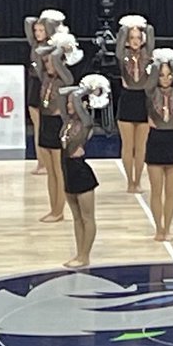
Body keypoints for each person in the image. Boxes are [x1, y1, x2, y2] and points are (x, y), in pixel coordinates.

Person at [57, 75, 111, 269]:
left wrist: (85, 92)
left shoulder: (86, 122)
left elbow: (80, 107)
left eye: (74, 103)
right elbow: (59, 95)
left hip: (81, 172)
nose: (70, 105)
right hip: (67, 170)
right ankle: (79, 253)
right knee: (76, 217)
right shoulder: (67, 121)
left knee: (87, 217)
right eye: (70, 103)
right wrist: (74, 91)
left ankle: (85, 255)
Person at [34, 30, 81, 223]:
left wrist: (60, 50)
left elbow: (54, 58)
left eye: (53, 62)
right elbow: (38, 53)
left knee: (58, 170)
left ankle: (59, 210)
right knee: (50, 173)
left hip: (57, 124)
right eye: (47, 62)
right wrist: (53, 48)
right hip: (45, 122)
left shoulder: (65, 78)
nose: (49, 64)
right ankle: (53, 208)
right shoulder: (44, 77)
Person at [144, 49, 173, 242]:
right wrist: (158, 62)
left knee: (171, 191)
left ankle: (167, 227)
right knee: (156, 190)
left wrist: (172, 62)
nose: (166, 78)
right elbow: (151, 79)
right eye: (161, 75)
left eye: (169, 75)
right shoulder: (151, 91)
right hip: (155, 141)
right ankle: (158, 228)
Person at [115, 15, 156, 194]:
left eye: (139, 38)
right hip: (127, 99)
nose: (135, 41)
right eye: (132, 38)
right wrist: (127, 27)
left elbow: (151, 31)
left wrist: (141, 26)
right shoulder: (122, 55)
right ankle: (129, 180)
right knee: (127, 145)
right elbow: (120, 41)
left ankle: (137, 181)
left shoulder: (148, 55)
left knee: (141, 146)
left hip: (144, 100)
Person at [24, 10, 65, 176]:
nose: (38, 33)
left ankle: (50, 161)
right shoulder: (34, 44)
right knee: (37, 126)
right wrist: (42, 19)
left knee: (48, 124)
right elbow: (28, 20)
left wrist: (51, 24)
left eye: (42, 30)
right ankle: (40, 162)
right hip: (35, 84)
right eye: (36, 30)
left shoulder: (53, 47)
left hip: (48, 85)